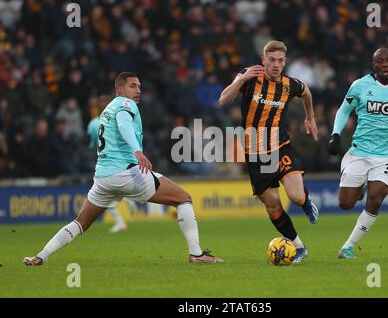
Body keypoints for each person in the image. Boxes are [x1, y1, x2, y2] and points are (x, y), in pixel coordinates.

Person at [24, 72, 223, 266]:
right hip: (127, 173)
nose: (138, 90)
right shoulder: (125, 105)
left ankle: (40, 256)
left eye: (139, 87)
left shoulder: (106, 110)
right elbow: (124, 124)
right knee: (183, 198)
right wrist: (138, 151)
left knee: (80, 222)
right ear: (119, 89)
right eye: (132, 86)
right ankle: (196, 254)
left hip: (103, 178)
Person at [219, 40, 319, 263]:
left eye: (280, 60)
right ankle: (299, 246)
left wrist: (310, 116)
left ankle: (305, 200)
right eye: (271, 60)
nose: (276, 64)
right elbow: (223, 99)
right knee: (273, 206)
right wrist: (241, 79)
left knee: (294, 195)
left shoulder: (290, 84)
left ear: (285, 61)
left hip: (280, 145)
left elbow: (306, 92)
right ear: (263, 60)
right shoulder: (250, 76)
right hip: (255, 153)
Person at [328, 48, 388, 259]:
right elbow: (343, 110)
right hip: (359, 152)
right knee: (345, 204)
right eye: (380, 61)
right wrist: (335, 134)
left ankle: (348, 247)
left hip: (387, 156)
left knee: (376, 198)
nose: (385, 65)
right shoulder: (360, 86)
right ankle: (358, 188)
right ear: (374, 65)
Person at [86, 94, 128, 233]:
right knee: (109, 193)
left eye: (105, 101)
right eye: (101, 102)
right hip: (102, 161)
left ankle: (127, 202)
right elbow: (91, 144)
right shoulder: (95, 123)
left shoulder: (113, 120)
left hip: (114, 162)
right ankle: (127, 203)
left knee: (106, 193)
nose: (103, 104)